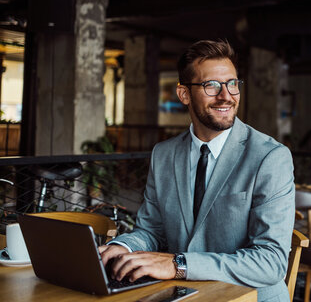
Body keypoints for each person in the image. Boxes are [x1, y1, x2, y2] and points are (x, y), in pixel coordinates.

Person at [99, 40, 295, 302]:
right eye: (211, 85)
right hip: (183, 295)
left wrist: (179, 264)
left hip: (249, 297)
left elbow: (271, 263)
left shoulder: (270, 157)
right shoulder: (164, 154)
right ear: (184, 95)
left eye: (232, 83)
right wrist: (120, 247)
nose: (226, 96)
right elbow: (152, 230)